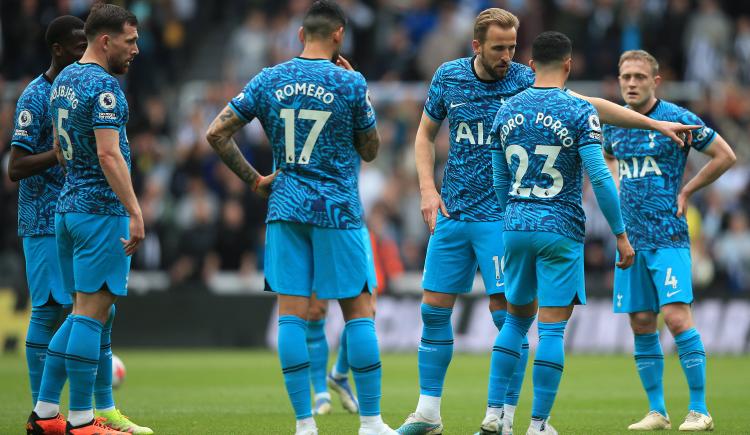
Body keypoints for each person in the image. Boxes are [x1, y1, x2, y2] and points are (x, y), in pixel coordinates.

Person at [400, 8, 697, 435]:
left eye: (513, 47)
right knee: (434, 311)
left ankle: (501, 414)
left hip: (503, 219)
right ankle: (429, 412)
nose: (507, 56)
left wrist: (650, 122)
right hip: (455, 212)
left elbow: (589, 106)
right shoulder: (448, 77)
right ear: (476, 46)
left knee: (509, 317)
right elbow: (425, 134)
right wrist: (428, 189)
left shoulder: (523, 82)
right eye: (499, 48)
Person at [204, 2, 393, 434]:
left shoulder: (269, 79)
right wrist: (356, 90)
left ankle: (305, 423)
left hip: (285, 207)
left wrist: (254, 180)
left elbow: (216, 132)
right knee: (359, 311)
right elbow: (371, 150)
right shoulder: (349, 82)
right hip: (338, 210)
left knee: (290, 314)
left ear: (300, 35)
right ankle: (371, 422)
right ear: (339, 35)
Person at [488, 31, 634, 435]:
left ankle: (495, 413)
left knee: (515, 323)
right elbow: (601, 178)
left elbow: (499, 181)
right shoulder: (577, 109)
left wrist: (512, 216)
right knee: (551, 327)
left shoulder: (507, 109)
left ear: (531, 65)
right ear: (568, 65)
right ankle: (538, 425)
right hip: (560, 229)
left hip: (516, 224)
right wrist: (620, 234)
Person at [13, 14, 152, 435]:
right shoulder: (105, 88)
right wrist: (135, 210)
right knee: (90, 316)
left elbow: (58, 146)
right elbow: (110, 156)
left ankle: (45, 413)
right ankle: (81, 421)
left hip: (67, 209)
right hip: (99, 212)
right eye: (130, 41)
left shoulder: (65, 81)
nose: (136, 49)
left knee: (78, 315)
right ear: (106, 41)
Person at [603, 49, 736, 432]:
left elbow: (724, 155)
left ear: (655, 81)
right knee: (643, 321)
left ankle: (700, 410)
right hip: (630, 241)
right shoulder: (614, 123)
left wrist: (688, 190)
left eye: (639, 77)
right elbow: (609, 158)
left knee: (676, 318)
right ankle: (657, 411)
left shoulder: (677, 118)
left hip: (670, 236)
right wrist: (615, 185)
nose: (631, 83)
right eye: (625, 76)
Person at [307, 226, 378, 416]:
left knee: (368, 311)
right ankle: (321, 393)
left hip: (349, 223)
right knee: (315, 311)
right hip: (315, 225)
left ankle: (339, 374)